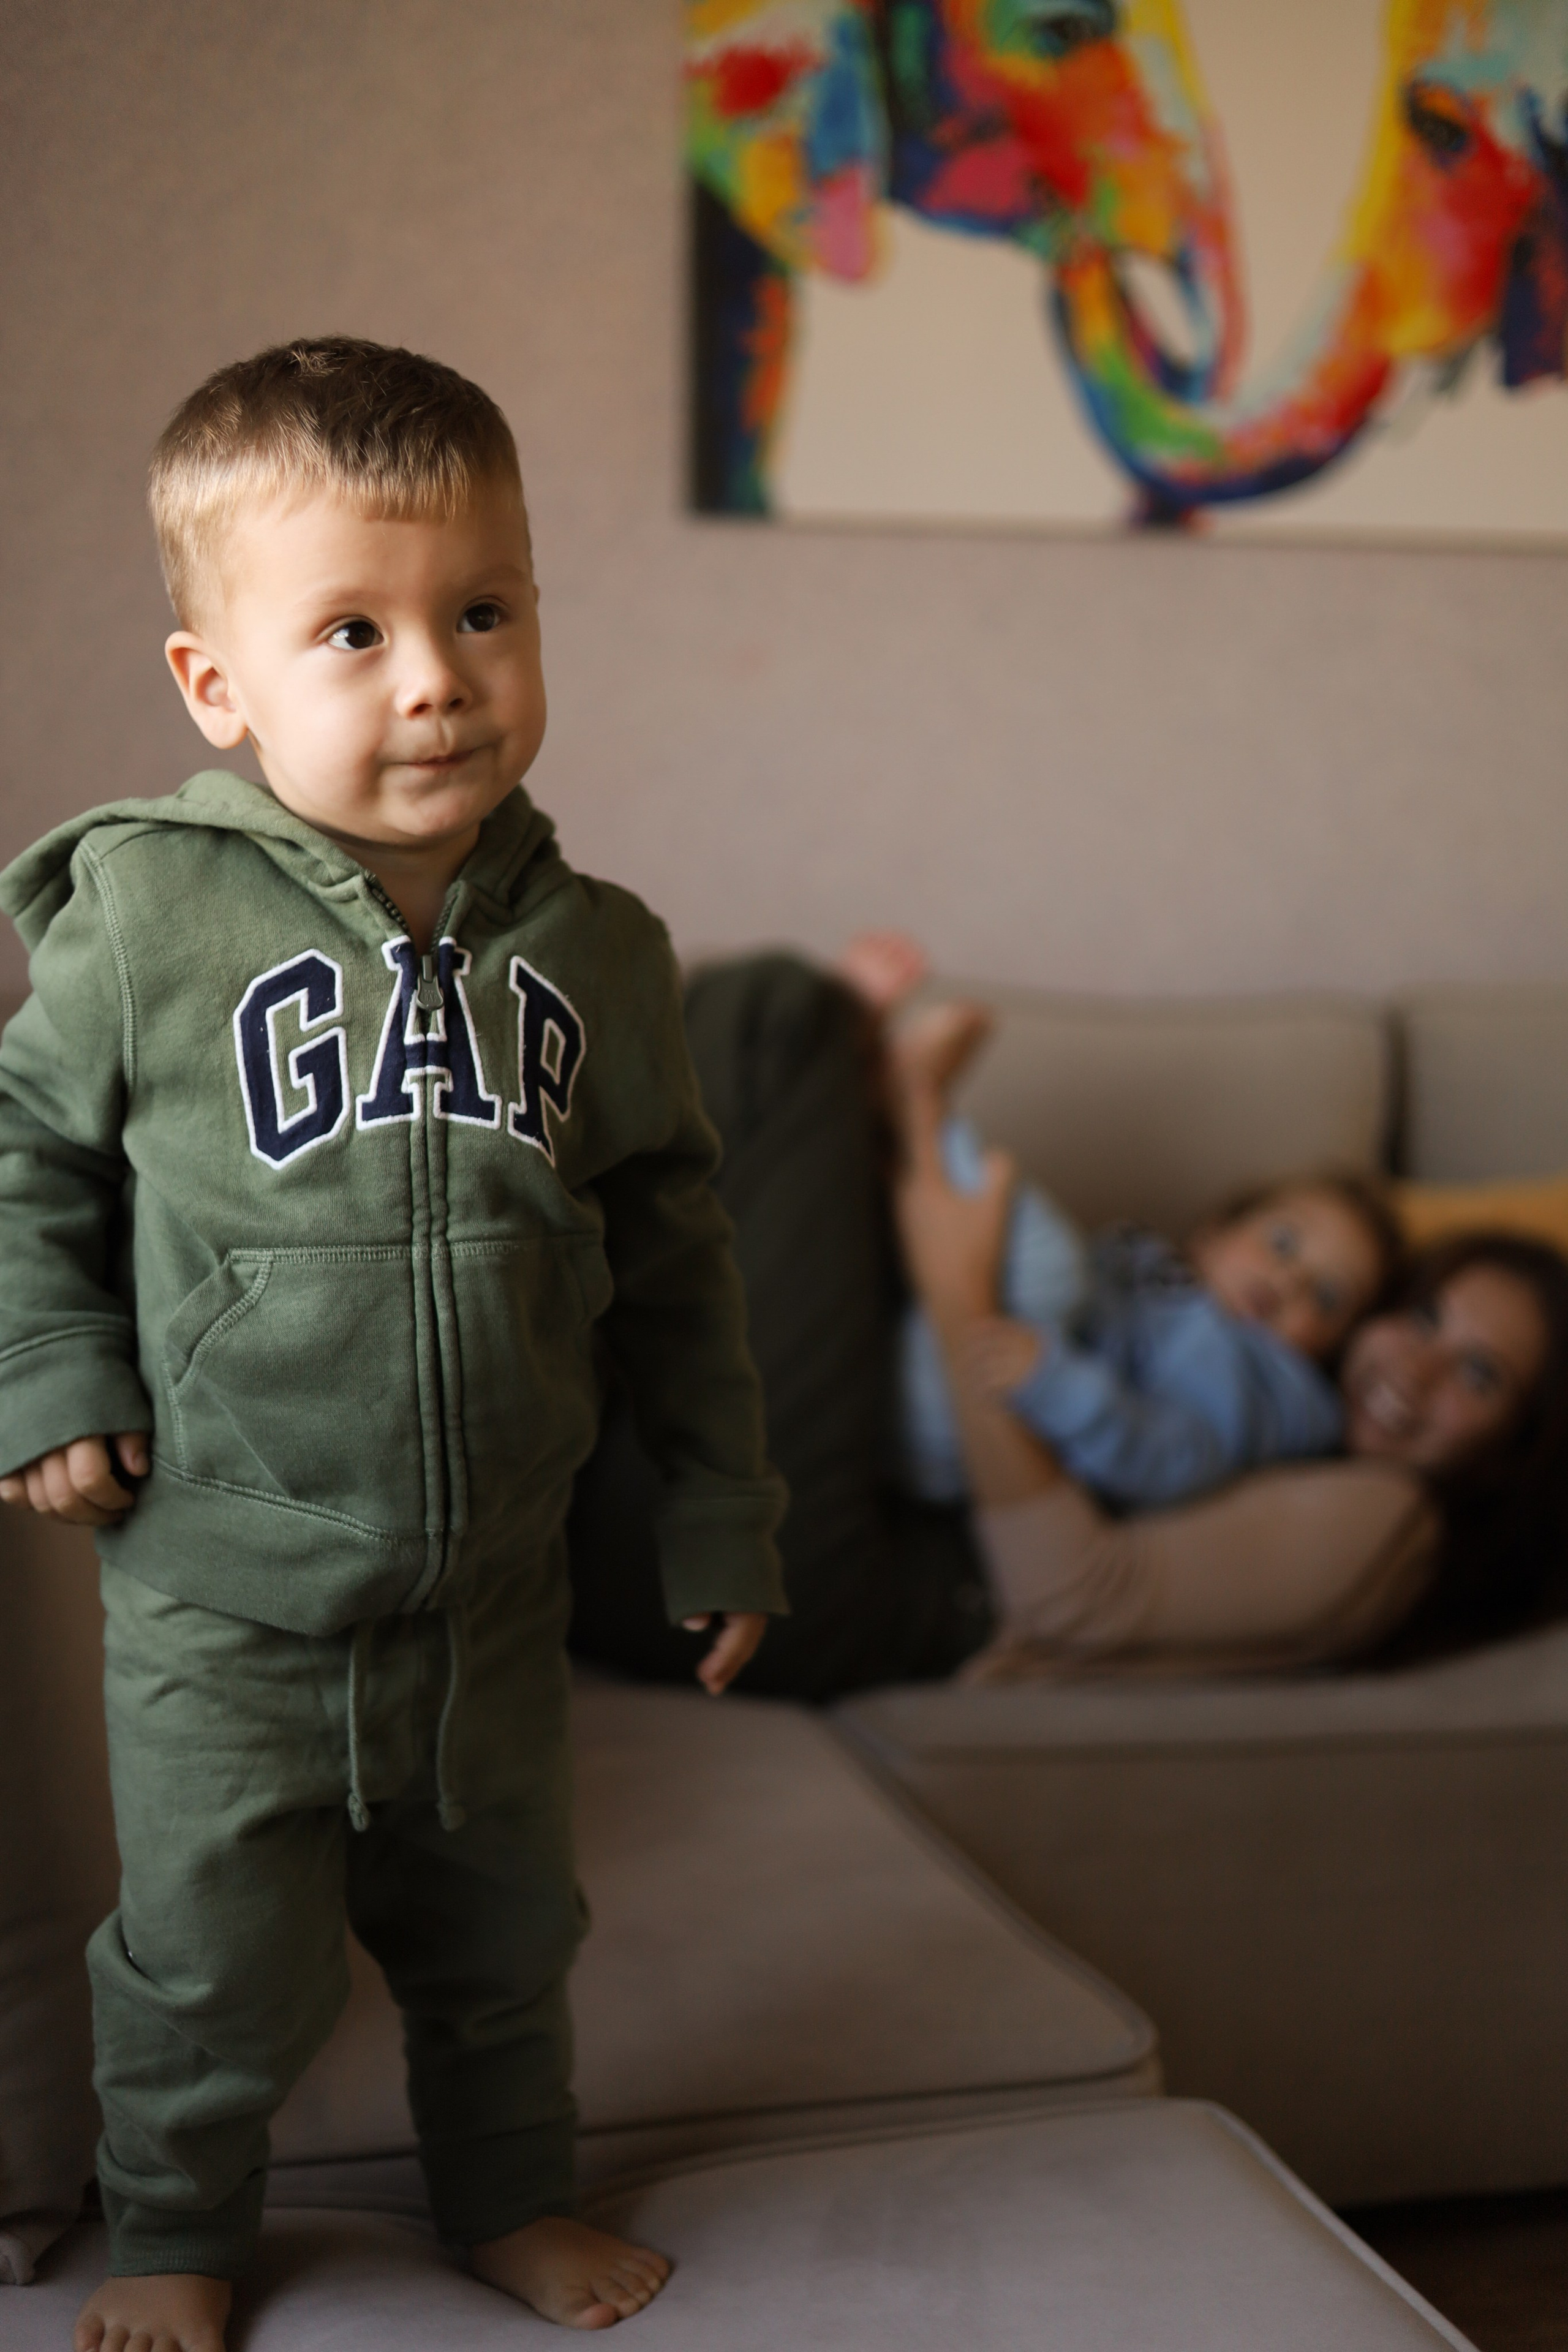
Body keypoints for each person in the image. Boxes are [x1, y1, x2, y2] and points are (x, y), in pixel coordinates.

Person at [0, 339, 788, 2346]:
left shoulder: (600, 952)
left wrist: (722, 1519)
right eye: (350, 629)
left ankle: (510, 2202)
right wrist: (48, 1371)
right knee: (213, 1957)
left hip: (491, 1604)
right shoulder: (150, 922)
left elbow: (679, 1252)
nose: (434, 674)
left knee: (506, 1935)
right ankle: (175, 2233)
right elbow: (24, 1156)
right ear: (219, 683)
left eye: (484, 611)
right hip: (224, 1600)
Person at [568, 952, 1568, 1697]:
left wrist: (959, 1281)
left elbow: (1069, 1597)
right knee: (742, 1044)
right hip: (790, 1521)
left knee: (775, 1024)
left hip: (809, 1588)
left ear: (1512, 1455)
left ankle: (904, 1104)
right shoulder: (1257, 1367)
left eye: (1480, 1378)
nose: (1416, 1369)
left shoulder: (1387, 1515)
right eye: (1425, 1318)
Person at [891, 1000, 1402, 1510]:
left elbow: (1175, 1461)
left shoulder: (1255, 1383)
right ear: (1212, 1234)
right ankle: (888, 1125)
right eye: (1283, 1243)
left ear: (1329, 1349)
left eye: (1329, 1295)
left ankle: (913, 1107)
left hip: (996, 1419)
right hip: (948, 1346)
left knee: (1056, 1268)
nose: (1291, 1281)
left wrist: (1057, 1385)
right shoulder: (1149, 1271)